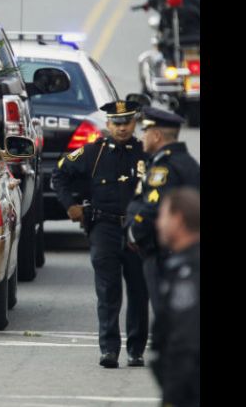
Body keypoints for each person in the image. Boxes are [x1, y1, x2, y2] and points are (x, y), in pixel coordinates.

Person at [52, 100, 149, 369]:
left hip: (137, 231)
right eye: (116, 123)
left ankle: (136, 350)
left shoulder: (145, 154)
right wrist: (70, 205)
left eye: (127, 122)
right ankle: (108, 350)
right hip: (103, 228)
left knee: (139, 292)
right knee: (108, 291)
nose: (121, 128)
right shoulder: (91, 152)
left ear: (135, 123)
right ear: (107, 124)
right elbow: (59, 173)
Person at [125, 106, 200, 315]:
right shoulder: (186, 162)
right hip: (179, 250)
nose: (142, 136)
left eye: (145, 131)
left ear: (156, 135)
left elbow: (154, 207)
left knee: (166, 310)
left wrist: (134, 232)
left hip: (161, 251)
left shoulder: (164, 168)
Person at [152, 187, 200, 407]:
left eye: (163, 215)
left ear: (178, 220)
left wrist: (173, 397)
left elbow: (184, 341)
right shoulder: (180, 265)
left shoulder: (188, 272)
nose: (158, 223)